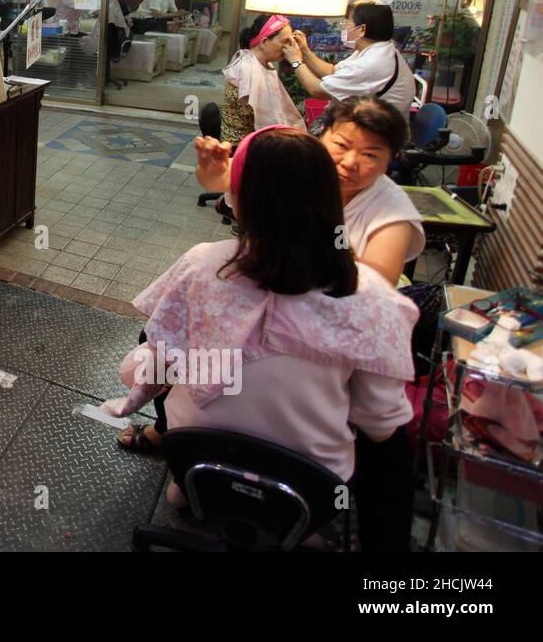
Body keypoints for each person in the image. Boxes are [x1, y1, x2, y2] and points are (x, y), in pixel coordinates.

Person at [105, 127, 418, 545]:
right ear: (330, 200)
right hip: (311, 485)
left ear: (239, 201)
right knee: (393, 447)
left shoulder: (203, 266)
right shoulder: (372, 299)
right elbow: (378, 423)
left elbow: (154, 360)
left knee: (150, 353)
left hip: (194, 454)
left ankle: (196, 490)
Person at [196, 95, 423, 286]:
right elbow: (217, 180)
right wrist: (213, 170)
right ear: (323, 134)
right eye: (342, 145)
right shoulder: (294, 159)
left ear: (390, 160)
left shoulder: (392, 210)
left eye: (370, 155)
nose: (350, 162)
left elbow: (378, 282)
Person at [283, 0, 417, 116]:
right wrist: (305, 52)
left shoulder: (372, 63)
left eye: (347, 23)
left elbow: (318, 91)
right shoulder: (375, 48)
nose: (343, 27)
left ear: (361, 29)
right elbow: (332, 71)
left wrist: (295, 61)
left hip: (379, 134)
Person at [220, 13, 305, 144]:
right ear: (264, 42)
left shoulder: (260, 63)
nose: (288, 47)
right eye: (284, 42)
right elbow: (267, 122)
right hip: (240, 147)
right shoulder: (248, 69)